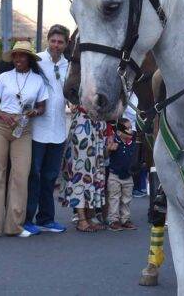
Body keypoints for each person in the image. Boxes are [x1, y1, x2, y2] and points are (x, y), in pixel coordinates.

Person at [0, 41, 48, 238]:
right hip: (1, 126)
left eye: (22, 55)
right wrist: (2, 115)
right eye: (16, 55)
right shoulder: (4, 77)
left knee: (20, 175)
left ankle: (14, 226)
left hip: (23, 128)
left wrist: (35, 111)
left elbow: (42, 106)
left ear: (29, 59)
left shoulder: (38, 80)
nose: (18, 59)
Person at [25, 24, 70, 235]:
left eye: (60, 42)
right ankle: (26, 218)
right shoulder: (36, 61)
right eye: (53, 41)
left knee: (51, 176)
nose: (56, 45)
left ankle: (46, 218)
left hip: (59, 129)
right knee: (33, 174)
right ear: (48, 41)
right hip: (36, 129)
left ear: (66, 44)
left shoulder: (69, 65)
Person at [59, 103, 109, 232]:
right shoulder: (80, 83)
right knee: (81, 173)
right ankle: (81, 219)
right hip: (84, 125)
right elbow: (70, 91)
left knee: (95, 172)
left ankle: (90, 216)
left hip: (96, 125)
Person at [106, 118, 138, 231]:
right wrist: (109, 150)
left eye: (131, 128)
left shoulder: (133, 143)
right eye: (128, 128)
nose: (131, 130)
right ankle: (113, 220)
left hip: (128, 176)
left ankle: (125, 219)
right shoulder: (114, 141)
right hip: (114, 175)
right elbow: (106, 154)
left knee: (127, 198)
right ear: (119, 132)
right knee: (114, 197)